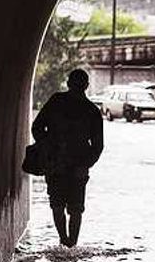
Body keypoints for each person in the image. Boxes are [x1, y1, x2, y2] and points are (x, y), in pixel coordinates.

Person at [32, 69, 104, 247]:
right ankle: (72, 244)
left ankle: (64, 240)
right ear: (86, 86)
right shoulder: (92, 111)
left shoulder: (56, 101)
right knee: (76, 209)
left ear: (68, 83)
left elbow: (37, 128)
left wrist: (47, 147)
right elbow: (98, 146)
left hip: (56, 164)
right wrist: (86, 164)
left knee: (57, 205)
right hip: (77, 167)